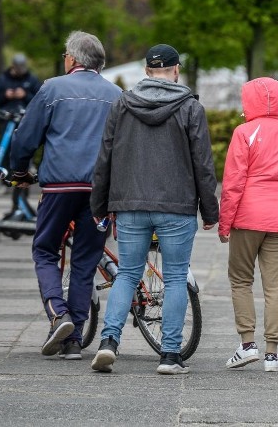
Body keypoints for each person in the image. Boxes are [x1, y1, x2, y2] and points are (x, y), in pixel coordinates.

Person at [90, 44, 219, 375]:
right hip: (176, 205)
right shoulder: (190, 108)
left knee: (129, 273)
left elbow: (106, 155)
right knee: (176, 277)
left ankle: (108, 342)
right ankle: (170, 356)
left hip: (130, 202)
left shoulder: (123, 104)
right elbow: (203, 164)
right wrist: (210, 210)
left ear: (147, 71)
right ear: (176, 70)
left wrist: (99, 203)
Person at [8, 31, 121, 359]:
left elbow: (25, 138)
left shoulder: (52, 88)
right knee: (85, 262)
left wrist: (19, 174)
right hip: (99, 190)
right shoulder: (116, 94)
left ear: (72, 59)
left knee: (45, 250)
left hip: (59, 186)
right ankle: (74, 342)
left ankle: (59, 315)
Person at [219, 77, 278, 372]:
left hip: (247, 217)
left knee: (241, 280)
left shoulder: (244, 132)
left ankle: (247, 345)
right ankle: (272, 353)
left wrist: (224, 223)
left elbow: (233, 183)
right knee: (275, 289)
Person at [0, 53, 42, 219]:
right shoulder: (3, 79)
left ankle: (19, 205)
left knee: (21, 167)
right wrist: (6, 95)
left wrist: (24, 96)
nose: (20, 71)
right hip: (7, 127)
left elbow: (39, 100)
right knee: (5, 164)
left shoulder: (31, 80)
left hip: (25, 130)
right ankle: (8, 190)